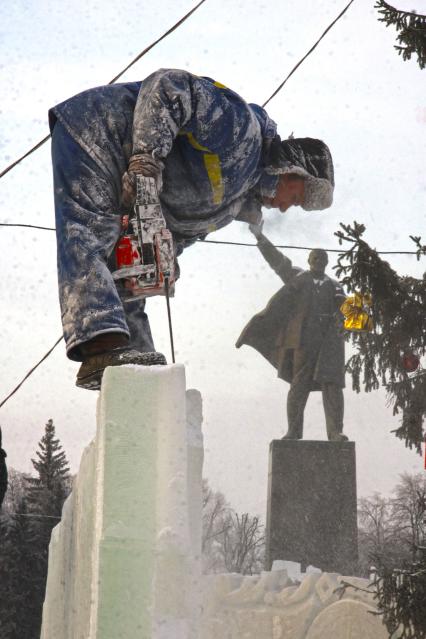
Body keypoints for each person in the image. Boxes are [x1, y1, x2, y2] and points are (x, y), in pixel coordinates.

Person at [49, 68, 335, 390]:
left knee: (132, 268)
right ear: (291, 172)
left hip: (130, 183)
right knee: (89, 234)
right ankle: (102, 345)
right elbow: (169, 87)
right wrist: (147, 160)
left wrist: (164, 254)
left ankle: (139, 370)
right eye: (294, 198)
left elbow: (177, 228)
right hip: (101, 131)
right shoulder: (242, 135)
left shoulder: (233, 205)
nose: (284, 207)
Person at [236, 224, 348, 441]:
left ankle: (335, 433)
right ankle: (294, 431)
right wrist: (260, 237)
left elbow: (354, 316)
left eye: (322, 259)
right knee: (298, 387)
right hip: (301, 343)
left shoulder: (335, 286)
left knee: (332, 388)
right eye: (315, 258)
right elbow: (278, 262)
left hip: (328, 345)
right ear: (309, 261)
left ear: (326, 263)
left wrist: (359, 315)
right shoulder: (298, 277)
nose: (318, 262)